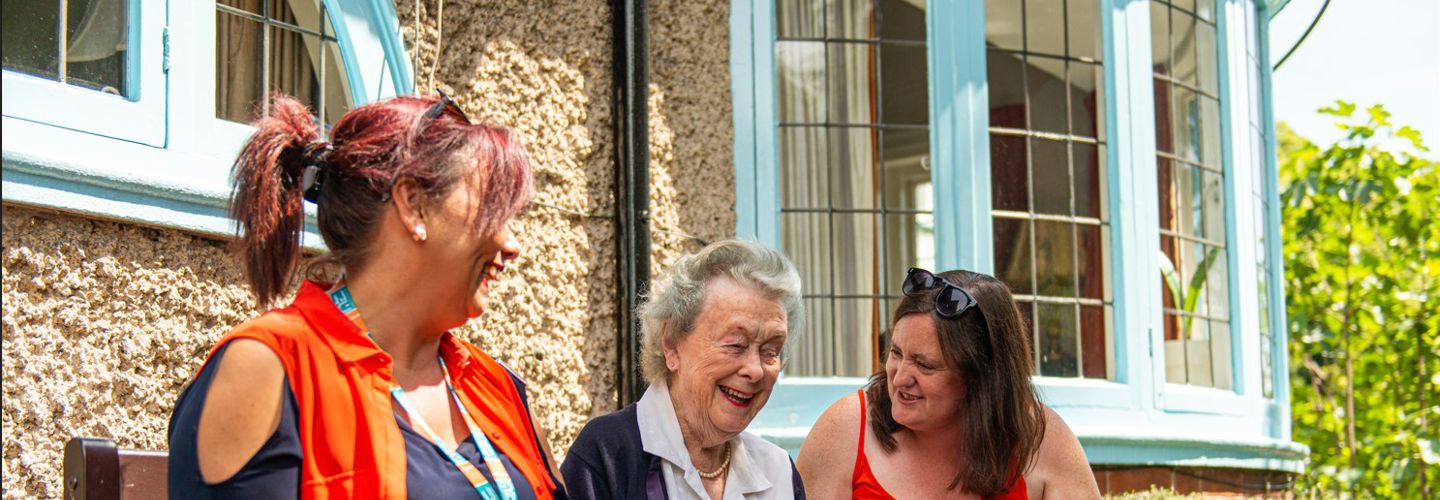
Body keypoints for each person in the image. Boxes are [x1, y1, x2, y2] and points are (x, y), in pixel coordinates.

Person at [167, 90, 566, 499]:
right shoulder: (270, 365)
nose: (512, 244)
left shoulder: (497, 385)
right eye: (495, 210)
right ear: (414, 206)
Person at [797, 269, 1100, 499]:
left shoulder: (1038, 436)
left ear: (979, 378)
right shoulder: (847, 428)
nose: (900, 377)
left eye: (925, 365)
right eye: (896, 353)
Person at [561, 240, 807, 500]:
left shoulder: (777, 472)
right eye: (736, 344)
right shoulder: (608, 455)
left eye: (770, 351)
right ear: (671, 343)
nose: (755, 370)